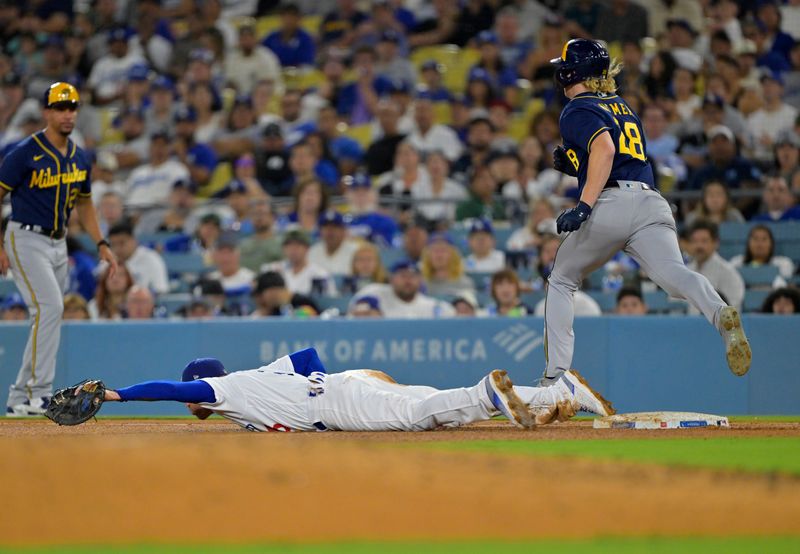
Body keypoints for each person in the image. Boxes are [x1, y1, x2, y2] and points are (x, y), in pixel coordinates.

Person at [542, 39, 751, 387]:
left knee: (562, 279)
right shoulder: (621, 105)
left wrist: (583, 206)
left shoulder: (576, 108)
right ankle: (719, 312)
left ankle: (555, 379)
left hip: (610, 204)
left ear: (569, 72)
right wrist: (577, 164)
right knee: (675, 275)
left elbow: (606, 150)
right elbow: (618, 155)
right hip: (651, 201)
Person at [88, 347, 615, 431]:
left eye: (193, 397)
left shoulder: (224, 390)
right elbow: (311, 358)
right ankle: (560, 393)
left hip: (340, 399)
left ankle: (488, 391)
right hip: (347, 383)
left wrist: (116, 396)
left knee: (423, 415)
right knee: (436, 411)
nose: (192, 403)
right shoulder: (260, 375)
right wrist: (329, 384)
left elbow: (168, 390)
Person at [0, 82, 118, 417]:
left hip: (58, 242)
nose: (68, 114)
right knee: (50, 307)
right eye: (60, 107)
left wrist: (102, 243)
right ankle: (38, 394)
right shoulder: (25, 152)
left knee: (48, 313)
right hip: (24, 236)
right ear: (47, 112)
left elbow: (85, 204)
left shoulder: (79, 156)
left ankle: (19, 397)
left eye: (72, 107)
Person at [686, 220, 745, 313]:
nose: (699, 246)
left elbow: (733, 308)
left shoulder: (728, 273)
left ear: (716, 243)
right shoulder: (686, 271)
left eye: (704, 241)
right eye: (695, 241)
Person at [107, 221, 169, 294]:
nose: (117, 249)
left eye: (122, 243)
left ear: (133, 240)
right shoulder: (108, 261)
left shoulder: (152, 259)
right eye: (113, 244)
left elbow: (161, 290)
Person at [729, 225, 795, 281]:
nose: (759, 243)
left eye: (764, 239)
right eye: (755, 239)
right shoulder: (736, 263)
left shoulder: (783, 263)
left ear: (771, 244)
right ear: (748, 243)